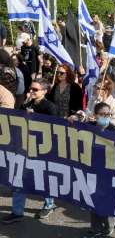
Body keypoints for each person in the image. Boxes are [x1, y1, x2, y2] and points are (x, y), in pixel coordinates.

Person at [2, 78, 57, 224]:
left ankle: (49, 203)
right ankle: (17, 212)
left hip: (41, 150)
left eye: (35, 90)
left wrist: (35, 118)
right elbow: (16, 119)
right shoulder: (28, 102)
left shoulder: (50, 107)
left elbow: (53, 129)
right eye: (31, 88)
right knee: (19, 177)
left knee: (41, 178)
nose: (31, 91)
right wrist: (25, 104)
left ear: (44, 91)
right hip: (24, 147)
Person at [82, 102, 115, 238]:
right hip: (93, 170)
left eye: (108, 114)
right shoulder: (90, 126)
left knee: (107, 199)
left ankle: (108, 225)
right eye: (102, 114)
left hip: (109, 172)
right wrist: (73, 119)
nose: (106, 116)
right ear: (95, 115)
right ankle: (95, 228)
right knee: (94, 198)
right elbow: (77, 120)